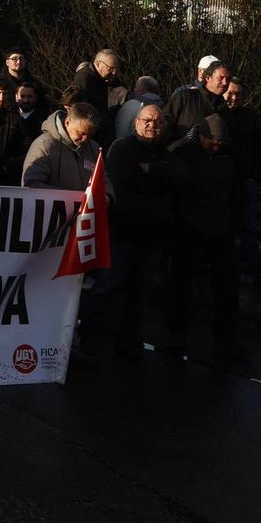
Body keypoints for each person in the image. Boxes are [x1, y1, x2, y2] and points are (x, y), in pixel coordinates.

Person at [99, 103, 178, 358]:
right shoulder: (122, 148)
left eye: (156, 122)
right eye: (146, 120)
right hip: (122, 233)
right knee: (111, 286)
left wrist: (150, 172)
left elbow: (177, 181)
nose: (151, 125)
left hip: (154, 237)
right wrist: (156, 177)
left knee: (141, 293)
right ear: (135, 122)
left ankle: (129, 342)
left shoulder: (167, 154)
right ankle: (96, 338)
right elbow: (123, 184)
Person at [167, 114, 244, 367]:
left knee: (227, 290)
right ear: (201, 136)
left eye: (220, 142)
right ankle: (176, 337)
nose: (216, 146)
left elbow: (238, 191)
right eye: (212, 141)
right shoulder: (182, 152)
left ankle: (224, 343)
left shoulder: (231, 154)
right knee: (181, 285)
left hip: (220, 228)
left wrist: (232, 224)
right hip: (187, 228)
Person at [223, 77, 260, 279]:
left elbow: (257, 147)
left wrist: (254, 176)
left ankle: (252, 267)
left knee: (248, 224)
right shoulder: (217, 115)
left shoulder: (250, 117)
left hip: (245, 180)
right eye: (230, 92)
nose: (233, 97)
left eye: (238, 93)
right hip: (223, 181)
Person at [21, 101, 100, 191]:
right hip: (53, 204)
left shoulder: (93, 147)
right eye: (81, 133)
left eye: (90, 135)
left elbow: (103, 179)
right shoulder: (44, 145)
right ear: (67, 123)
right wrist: (64, 197)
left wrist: (107, 197)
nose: (85, 139)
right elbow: (31, 185)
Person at [67, 49, 125, 148]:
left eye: (116, 69)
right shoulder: (84, 78)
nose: (114, 73)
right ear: (98, 64)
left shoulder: (100, 79)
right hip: (90, 138)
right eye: (111, 68)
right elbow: (72, 106)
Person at [166, 58, 231, 140]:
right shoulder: (185, 97)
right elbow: (166, 123)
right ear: (208, 78)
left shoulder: (225, 109)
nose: (225, 83)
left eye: (228, 79)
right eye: (220, 78)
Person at [115, 74, 164, 143]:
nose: (134, 90)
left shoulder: (130, 106)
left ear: (141, 90)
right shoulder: (165, 108)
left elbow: (121, 131)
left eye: (135, 88)